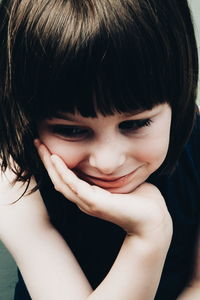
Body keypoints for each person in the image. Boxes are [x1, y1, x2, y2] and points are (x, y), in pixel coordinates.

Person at [0, 0, 199, 299]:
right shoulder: (14, 180)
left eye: (136, 123)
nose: (108, 162)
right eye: (70, 130)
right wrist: (148, 236)